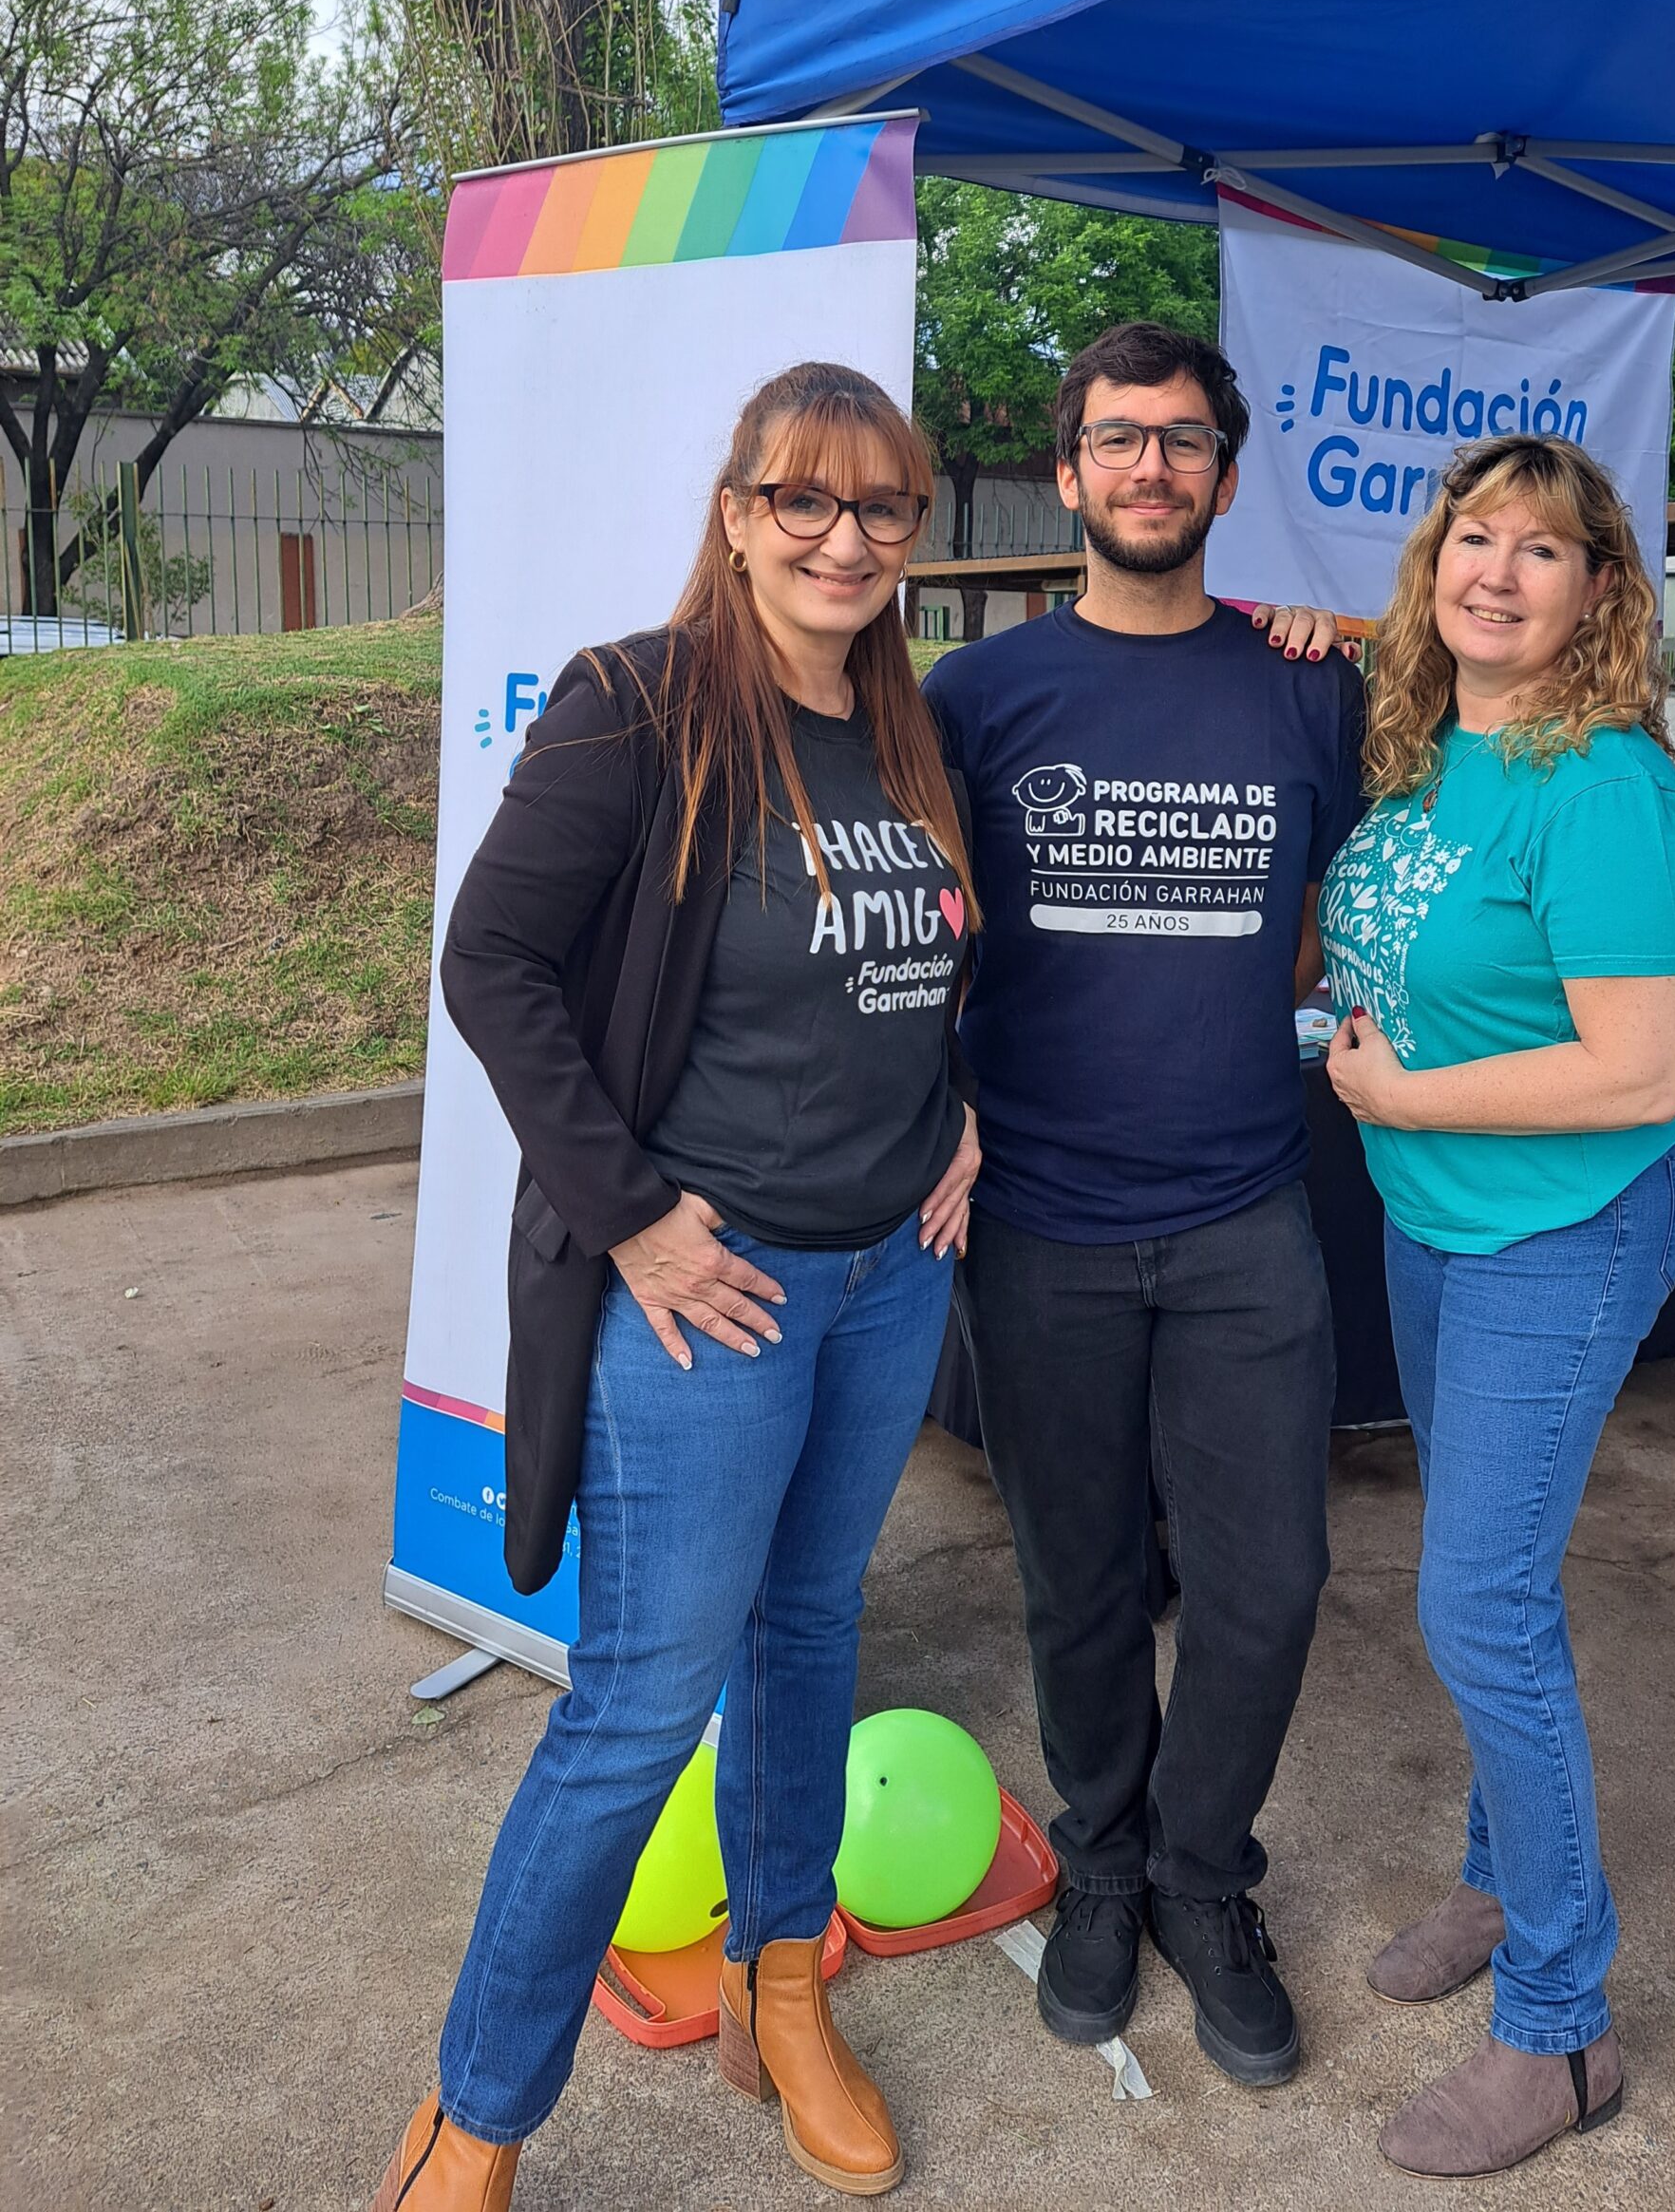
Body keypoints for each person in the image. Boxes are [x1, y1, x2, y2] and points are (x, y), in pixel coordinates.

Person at [369, 364, 982, 2209]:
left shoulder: (903, 731)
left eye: (881, 508)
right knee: (636, 1707)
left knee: (811, 1634)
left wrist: (956, 1109)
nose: (842, 537)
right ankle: (474, 2120)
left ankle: (773, 1989)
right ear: (737, 512)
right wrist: (632, 1215)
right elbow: (495, 964)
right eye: (803, 497)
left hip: (891, 1276)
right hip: (708, 1297)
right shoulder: (637, 703)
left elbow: (923, 959)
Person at [923, 322, 1366, 2090]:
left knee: (1268, 1584)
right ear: (1071, 474)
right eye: (1119, 441)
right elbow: (904, 935)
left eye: (1181, 442)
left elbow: (1404, 840)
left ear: (1226, 477)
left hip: (1250, 1210)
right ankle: (1100, 1859)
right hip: (1041, 1219)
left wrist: (1356, 633)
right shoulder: (974, 698)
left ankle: (1201, 1873)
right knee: (1078, 1579)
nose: (1149, 469)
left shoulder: (1304, 690)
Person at [1319, 435, 1675, 2179]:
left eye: (1539, 551)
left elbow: (1638, 1074)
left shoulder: (1603, 786)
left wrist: (1400, 1100)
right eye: (1470, 537)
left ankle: (1562, 2027)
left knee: (1475, 1606)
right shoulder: (1420, 769)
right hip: (1432, 1225)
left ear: (1597, 594)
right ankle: (1495, 1877)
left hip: (1564, 1233)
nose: (1496, 570)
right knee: (1502, 1589)